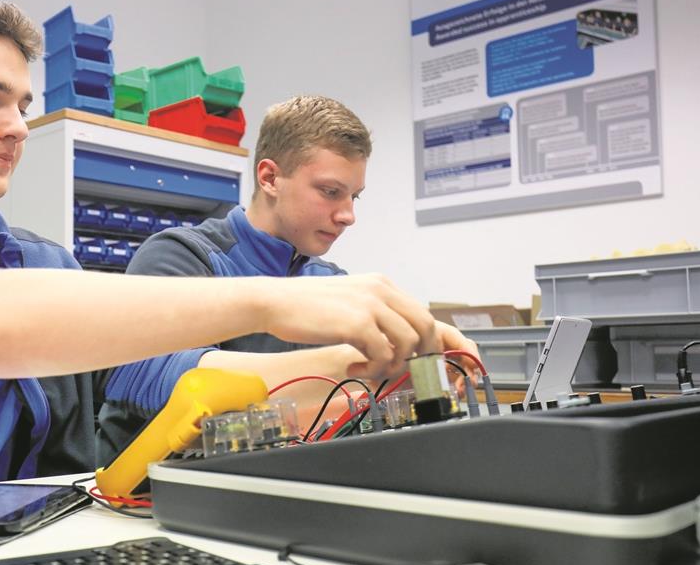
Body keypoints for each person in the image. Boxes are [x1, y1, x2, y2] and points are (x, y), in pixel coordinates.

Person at [0, 0, 446, 504]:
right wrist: (274, 297)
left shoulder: (42, 263)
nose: (16, 126)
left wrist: (368, 358)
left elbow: (174, 377)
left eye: (22, 105)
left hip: (11, 545)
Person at [98, 95, 475, 464]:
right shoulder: (182, 256)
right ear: (270, 178)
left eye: (354, 197)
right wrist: (350, 362)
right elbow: (145, 378)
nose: (347, 215)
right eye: (330, 192)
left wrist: (408, 374)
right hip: (147, 504)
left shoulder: (332, 282)